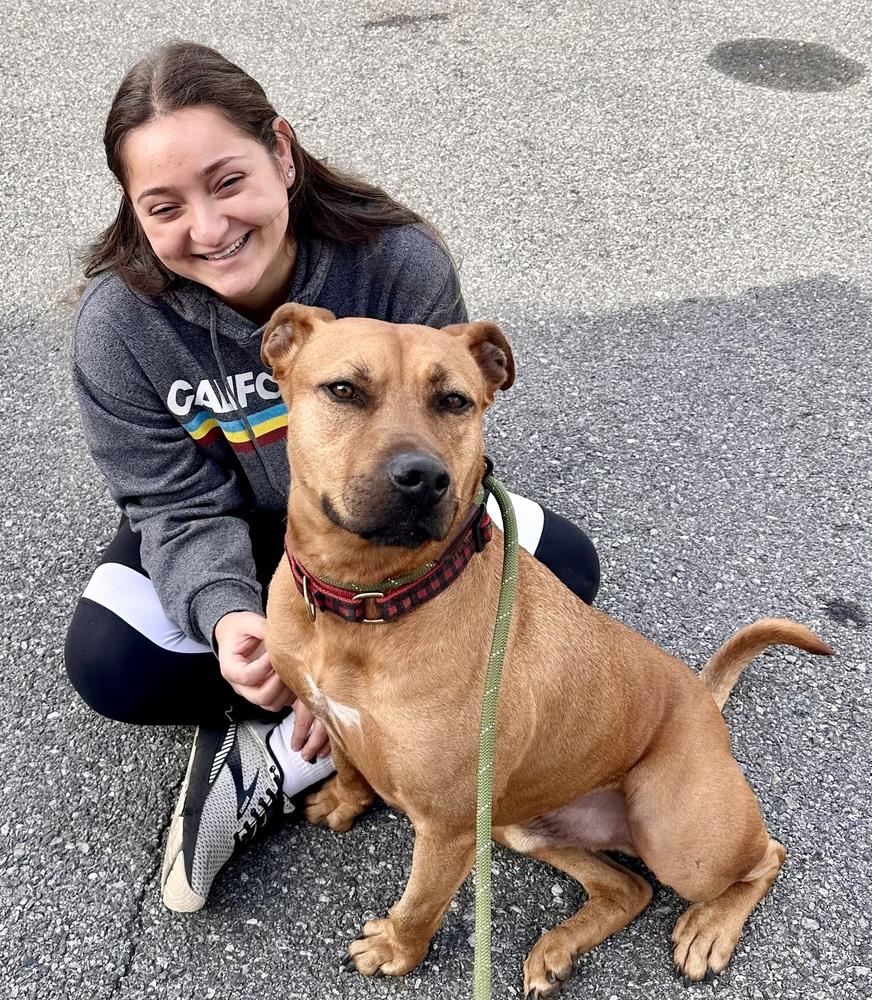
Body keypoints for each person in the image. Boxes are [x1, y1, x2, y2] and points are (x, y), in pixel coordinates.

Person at [65, 41, 601, 913]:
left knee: (565, 574)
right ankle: (296, 731)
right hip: (231, 522)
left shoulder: (395, 263)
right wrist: (234, 616)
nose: (207, 228)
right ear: (134, 211)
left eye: (227, 181)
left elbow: (449, 433)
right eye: (165, 206)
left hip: (380, 511)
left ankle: (324, 726)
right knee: (110, 664)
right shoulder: (119, 326)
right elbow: (168, 499)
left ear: (282, 151)